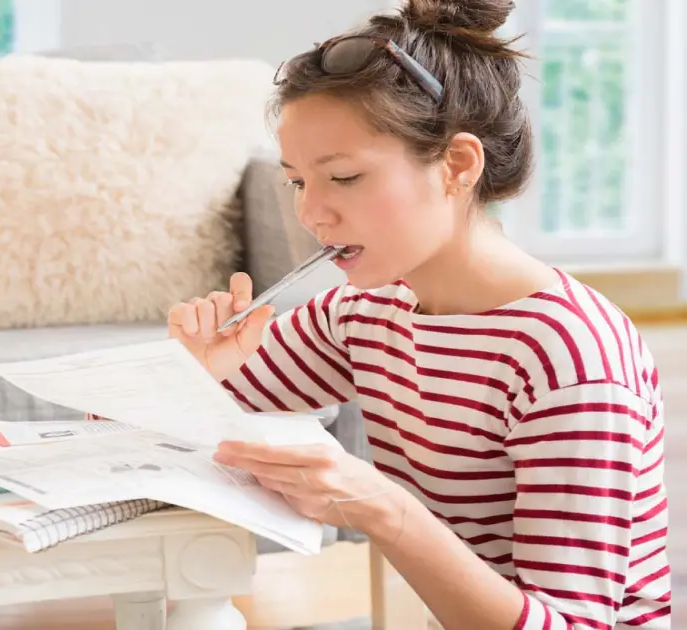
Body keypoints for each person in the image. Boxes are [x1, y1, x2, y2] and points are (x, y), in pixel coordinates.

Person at [167, 0, 670, 627]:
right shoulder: (368, 310)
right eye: (298, 182)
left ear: (457, 165)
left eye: (345, 177)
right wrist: (197, 375)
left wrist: (381, 505)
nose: (311, 214)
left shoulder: (569, 361)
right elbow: (168, 434)